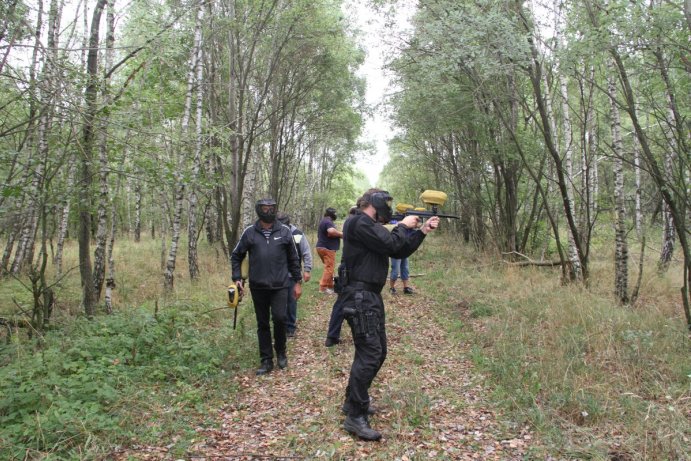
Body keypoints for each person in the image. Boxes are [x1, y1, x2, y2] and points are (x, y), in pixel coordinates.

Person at [337, 188, 439, 441]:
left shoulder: (365, 224)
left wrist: (422, 231)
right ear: (375, 203)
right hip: (360, 296)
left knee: (377, 351)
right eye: (386, 204)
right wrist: (404, 226)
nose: (389, 209)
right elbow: (392, 242)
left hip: (369, 296)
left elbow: (398, 250)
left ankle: (353, 402)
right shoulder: (359, 222)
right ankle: (355, 416)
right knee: (370, 354)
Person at [230, 198, 303, 376]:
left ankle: (281, 352)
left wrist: (298, 282)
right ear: (258, 210)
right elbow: (236, 256)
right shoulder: (250, 232)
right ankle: (266, 360)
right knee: (262, 323)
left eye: (271, 208)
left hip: (280, 285)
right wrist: (237, 278)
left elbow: (294, 259)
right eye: (265, 208)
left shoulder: (285, 231)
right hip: (258, 286)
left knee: (279, 318)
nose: (268, 211)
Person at [325, 205, 358, 347]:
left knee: (347, 301)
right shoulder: (353, 224)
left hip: (352, 267)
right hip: (350, 269)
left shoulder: (351, 223)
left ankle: (334, 336)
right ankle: (332, 337)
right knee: (342, 302)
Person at [277, 212, 312, 337]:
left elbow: (306, 252)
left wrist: (307, 270)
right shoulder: (274, 232)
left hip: (293, 274)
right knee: (278, 302)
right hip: (277, 274)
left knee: (291, 301)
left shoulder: (297, 234)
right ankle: (279, 326)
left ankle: (290, 327)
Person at [316, 207, 343, 294]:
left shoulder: (324, 221)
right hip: (327, 248)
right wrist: (342, 234)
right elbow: (331, 232)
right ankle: (323, 287)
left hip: (321, 247)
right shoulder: (328, 221)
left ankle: (330, 286)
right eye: (335, 213)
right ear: (332, 214)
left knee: (329, 267)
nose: (336, 215)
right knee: (329, 268)